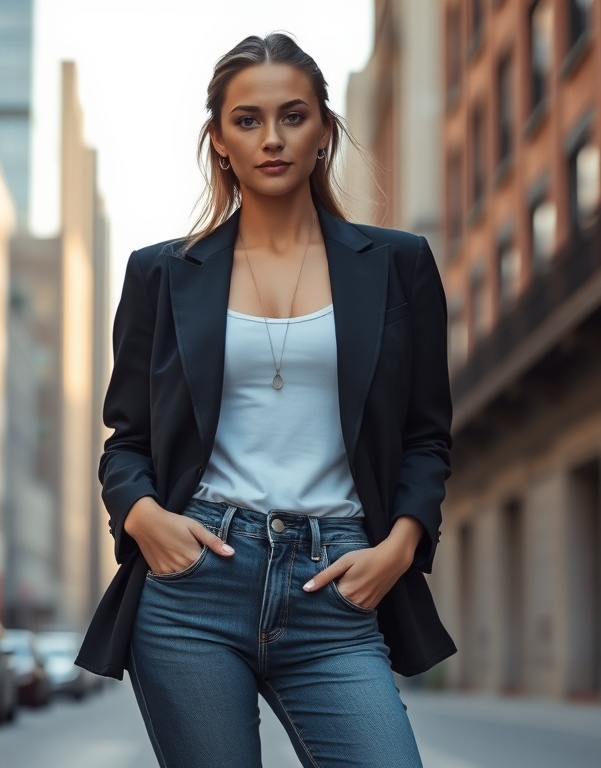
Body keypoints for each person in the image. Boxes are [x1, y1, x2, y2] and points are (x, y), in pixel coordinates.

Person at [76, 32, 455, 767]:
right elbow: (126, 442)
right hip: (194, 589)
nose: (272, 138)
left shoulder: (399, 265)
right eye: (247, 120)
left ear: (324, 131)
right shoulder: (161, 274)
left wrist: (400, 547)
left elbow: (426, 436)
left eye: (293, 116)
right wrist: (144, 518)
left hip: (336, 585)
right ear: (219, 141)